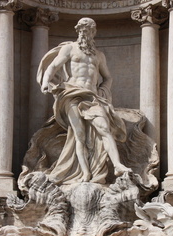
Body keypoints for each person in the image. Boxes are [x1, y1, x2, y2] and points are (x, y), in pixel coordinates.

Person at [38, 17, 131, 185]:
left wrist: (103, 91)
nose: (85, 33)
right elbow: (53, 66)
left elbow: (108, 77)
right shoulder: (69, 49)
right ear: (78, 31)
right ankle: (86, 173)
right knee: (79, 135)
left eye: (88, 30)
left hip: (92, 97)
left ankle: (117, 165)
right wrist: (45, 82)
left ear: (93, 33)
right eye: (82, 30)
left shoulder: (99, 55)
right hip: (72, 94)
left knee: (104, 128)